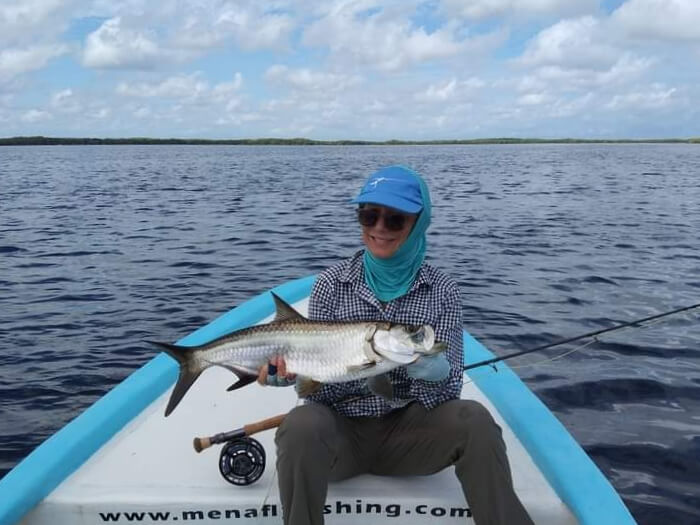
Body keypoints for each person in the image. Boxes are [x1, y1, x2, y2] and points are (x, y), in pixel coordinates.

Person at [257, 165, 533, 525]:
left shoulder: (443, 292)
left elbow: (449, 391)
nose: (378, 229)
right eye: (369, 215)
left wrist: (431, 370)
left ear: (418, 224)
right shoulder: (330, 284)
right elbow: (317, 397)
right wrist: (292, 374)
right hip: (343, 438)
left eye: (395, 220)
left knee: (475, 420)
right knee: (300, 425)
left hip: (412, 438)